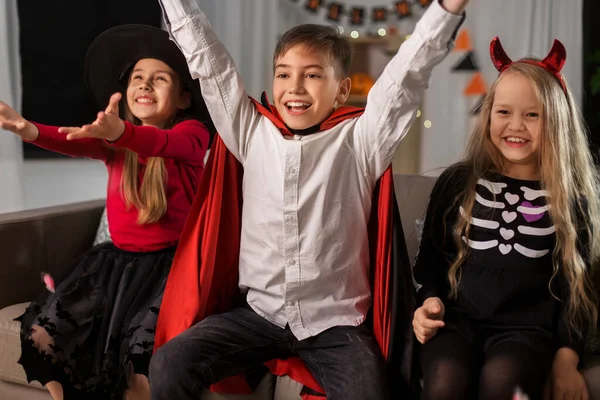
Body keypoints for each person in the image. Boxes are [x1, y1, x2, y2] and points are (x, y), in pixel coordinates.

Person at [147, 1, 469, 399]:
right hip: (258, 316)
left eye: (313, 75)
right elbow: (209, 62)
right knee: (169, 362)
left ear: (342, 90)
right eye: (284, 74)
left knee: (372, 391)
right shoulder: (250, 132)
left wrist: (446, 10)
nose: (294, 87)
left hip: (335, 327)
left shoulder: (361, 142)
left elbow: (407, 76)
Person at [0, 24, 213, 400]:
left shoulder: (192, 134)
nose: (145, 85)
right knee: (44, 335)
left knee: (141, 355)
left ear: (182, 98)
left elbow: (162, 142)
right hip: (114, 266)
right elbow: (72, 140)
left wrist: (118, 133)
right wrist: (29, 130)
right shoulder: (117, 142)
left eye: (159, 79)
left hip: (172, 268)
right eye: (137, 78)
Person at [412, 37, 599, 400]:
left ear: (557, 122)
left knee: (504, 383)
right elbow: (431, 261)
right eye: (504, 112)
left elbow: (577, 289)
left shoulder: (570, 199)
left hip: (526, 331)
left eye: (532, 115)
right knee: (445, 379)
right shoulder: (457, 182)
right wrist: (428, 303)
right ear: (488, 114)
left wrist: (566, 357)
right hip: (456, 320)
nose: (516, 125)